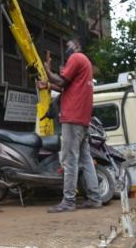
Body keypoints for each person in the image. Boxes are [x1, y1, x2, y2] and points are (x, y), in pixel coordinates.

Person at [38, 38, 102, 213]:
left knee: (69, 160)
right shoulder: (86, 63)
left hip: (72, 117)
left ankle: (68, 201)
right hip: (82, 119)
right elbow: (66, 86)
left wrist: (47, 70)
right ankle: (95, 198)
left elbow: (61, 80)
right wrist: (48, 85)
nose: (66, 49)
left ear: (76, 46)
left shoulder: (76, 58)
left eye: (67, 46)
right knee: (85, 159)